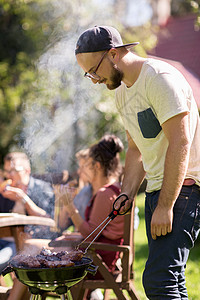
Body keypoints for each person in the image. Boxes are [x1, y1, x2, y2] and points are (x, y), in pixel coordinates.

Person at [75, 26, 200, 299]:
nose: (94, 79)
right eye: (89, 74)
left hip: (186, 188)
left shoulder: (160, 79)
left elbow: (181, 142)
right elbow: (135, 149)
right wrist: (127, 192)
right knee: (171, 278)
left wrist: (166, 205)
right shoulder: (122, 91)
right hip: (158, 189)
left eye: (94, 70)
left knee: (158, 279)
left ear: (113, 54)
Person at [54, 134, 125, 278]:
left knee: (38, 252)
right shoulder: (116, 189)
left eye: (85, 166)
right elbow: (98, 231)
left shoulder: (105, 194)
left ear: (97, 166)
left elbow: (89, 233)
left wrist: (69, 205)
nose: (81, 172)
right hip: (102, 259)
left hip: (96, 264)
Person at [0, 152, 55, 273]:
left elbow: (48, 221)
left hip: (26, 243)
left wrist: (23, 199)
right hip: (3, 238)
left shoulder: (42, 189)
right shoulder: (5, 192)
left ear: (27, 170)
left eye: (14, 170)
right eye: (7, 171)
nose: (9, 175)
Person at [56, 148, 92, 232]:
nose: (79, 172)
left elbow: (88, 232)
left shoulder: (98, 193)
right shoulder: (83, 193)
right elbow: (62, 225)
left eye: (83, 167)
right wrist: (66, 204)